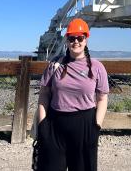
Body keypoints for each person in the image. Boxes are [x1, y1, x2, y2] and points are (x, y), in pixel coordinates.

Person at [33, 18, 109, 171]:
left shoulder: (97, 67)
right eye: (72, 38)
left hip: (85, 125)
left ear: (86, 40)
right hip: (55, 124)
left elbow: (102, 98)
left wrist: (97, 126)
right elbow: (44, 94)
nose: (76, 42)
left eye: (80, 38)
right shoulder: (55, 65)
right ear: (67, 40)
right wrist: (42, 125)